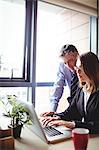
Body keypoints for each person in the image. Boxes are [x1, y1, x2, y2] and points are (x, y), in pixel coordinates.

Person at [41, 52, 99, 134]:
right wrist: (57, 117)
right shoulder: (81, 88)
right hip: (88, 136)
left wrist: (73, 124)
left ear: (91, 69)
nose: (77, 72)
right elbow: (72, 111)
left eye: (80, 69)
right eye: (77, 68)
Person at [50, 44, 79, 112]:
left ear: (77, 56)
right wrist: (53, 110)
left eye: (70, 61)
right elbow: (58, 87)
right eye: (65, 62)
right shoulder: (62, 66)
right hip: (73, 104)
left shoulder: (84, 66)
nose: (68, 65)